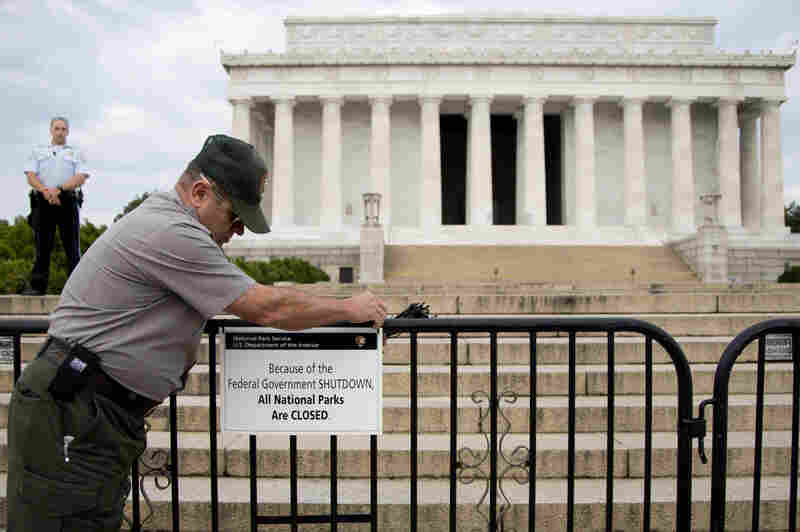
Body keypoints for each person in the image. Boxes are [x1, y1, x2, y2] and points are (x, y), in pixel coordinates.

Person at [6, 134, 387, 531]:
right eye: (235, 217)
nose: (238, 231)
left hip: (91, 407)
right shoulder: (171, 231)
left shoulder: (169, 223)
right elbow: (266, 306)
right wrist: (347, 307)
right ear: (201, 193)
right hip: (75, 408)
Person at [21, 116, 90, 295]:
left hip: (67, 200)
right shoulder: (38, 151)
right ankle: (37, 286)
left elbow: (81, 176)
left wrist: (59, 189)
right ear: (51, 130)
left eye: (63, 129)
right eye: (57, 128)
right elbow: (30, 175)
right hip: (43, 201)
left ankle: (76, 289)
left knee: (72, 246)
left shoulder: (76, 152)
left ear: (67, 131)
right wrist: (45, 191)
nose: (60, 132)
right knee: (42, 245)